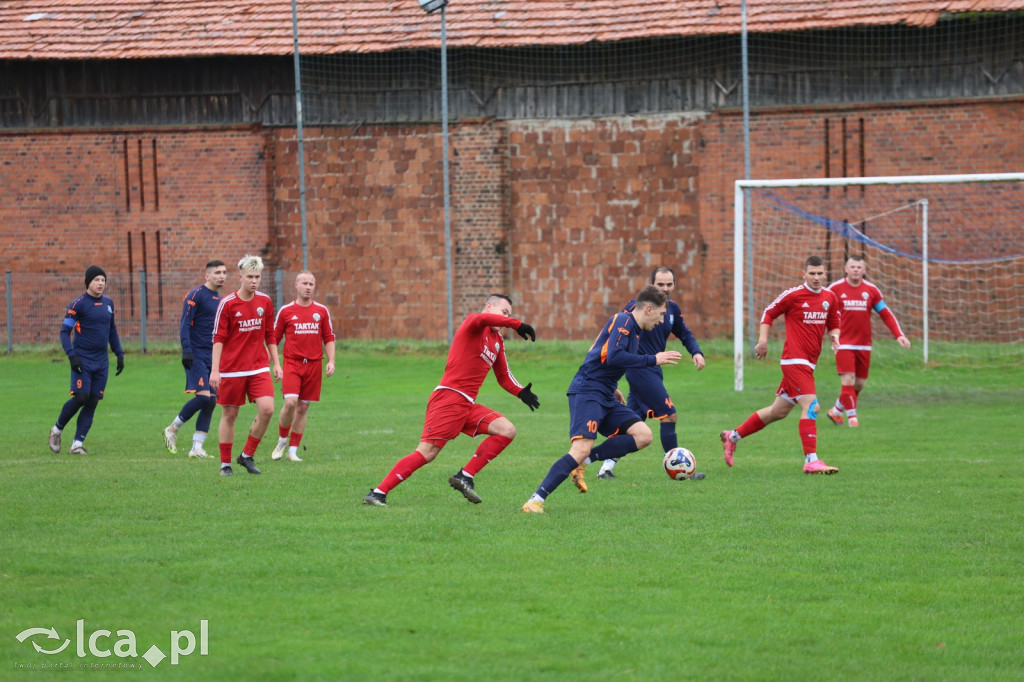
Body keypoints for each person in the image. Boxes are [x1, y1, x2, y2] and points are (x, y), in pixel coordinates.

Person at [363, 293, 539, 507]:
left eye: (509, 315)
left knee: (507, 430)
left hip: (466, 405)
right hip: (448, 399)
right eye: (504, 313)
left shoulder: (497, 341)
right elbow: (484, 320)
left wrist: (521, 392)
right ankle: (378, 493)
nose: (506, 319)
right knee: (426, 453)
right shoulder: (474, 322)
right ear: (489, 307)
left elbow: (503, 376)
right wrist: (517, 324)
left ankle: (465, 476)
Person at [521, 286, 681, 514]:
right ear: (648, 309)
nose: (662, 320)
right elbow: (615, 356)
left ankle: (584, 464)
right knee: (580, 447)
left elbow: (596, 351)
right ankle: (535, 500)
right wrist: (653, 359)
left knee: (643, 435)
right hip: (588, 391)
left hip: (604, 392)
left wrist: (613, 386)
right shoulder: (624, 321)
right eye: (662, 314)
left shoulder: (633, 329)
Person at [719, 255, 841, 475]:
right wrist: (763, 340)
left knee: (778, 411)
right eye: (811, 273)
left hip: (809, 363)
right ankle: (811, 460)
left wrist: (834, 336)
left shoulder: (830, 297)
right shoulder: (793, 295)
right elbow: (769, 313)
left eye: (819, 273)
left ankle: (732, 436)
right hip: (794, 360)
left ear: (825, 274)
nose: (815, 277)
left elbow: (833, 321)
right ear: (803, 274)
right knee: (812, 406)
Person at [597, 266, 706, 480]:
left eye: (669, 284)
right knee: (669, 415)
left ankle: (604, 468)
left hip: (654, 370)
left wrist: (696, 352)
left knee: (632, 424)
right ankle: (678, 468)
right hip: (639, 370)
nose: (665, 289)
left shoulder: (672, 310)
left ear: (674, 285)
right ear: (651, 285)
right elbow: (617, 334)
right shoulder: (637, 308)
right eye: (660, 284)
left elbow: (684, 333)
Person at [209, 255, 281, 476]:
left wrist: (277, 363)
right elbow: (218, 338)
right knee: (230, 415)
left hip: (259, 366)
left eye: (257, 277)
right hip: (232, 369)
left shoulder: (265, 302)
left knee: (268, 409)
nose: (254, 281)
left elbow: (270, 334)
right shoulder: (228, 304)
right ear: (240, 277)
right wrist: (215, 370)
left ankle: (247, 455)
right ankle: (225, 465)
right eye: (250, 277)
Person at [825, 256, 910, 428]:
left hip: (864, 343)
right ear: (845, 269)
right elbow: (822, 309)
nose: (856, 269)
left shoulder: (871, 290)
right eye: (852, 266)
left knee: (859, 383)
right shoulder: (834, 289)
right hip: (843, 343)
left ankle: (836, 411)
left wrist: (898, 334)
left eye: (859, 267)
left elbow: (885, 313)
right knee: (848, 379)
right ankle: (852, 419)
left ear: (864, 270)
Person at [48, 265, 125, 455]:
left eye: (103, 280)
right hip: (82, 360)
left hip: (102, 362)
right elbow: (65, 332)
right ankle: (56, 430)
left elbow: (112, 330)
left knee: (92, 401)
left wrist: (119, 353)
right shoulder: (78, 304)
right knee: (81, 397)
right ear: (88, 282)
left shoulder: (108, 304)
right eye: (96, 280)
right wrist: (72, 356)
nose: (100, 283)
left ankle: (76, 444)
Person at [162, 260, 228, 458]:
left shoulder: (220, 299)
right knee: (202, 397)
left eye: (224, 272)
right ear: (207, 276)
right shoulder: (196, 295)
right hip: (197, 353)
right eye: (217, 272)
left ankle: (197, 447)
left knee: (211, 401)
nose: (222, 276)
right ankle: (172, 429)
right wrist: (186, 349)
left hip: (213, 356)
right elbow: (185, 324)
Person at [270, 270, 336, 463]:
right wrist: (275, 363)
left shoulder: (321, 311)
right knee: (290, 403)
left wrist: (331, 361)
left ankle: (293, 450)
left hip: (314, 365)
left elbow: (329, 337)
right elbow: (274, 339)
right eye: (305, 283)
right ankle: (282, 439)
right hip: (292, 363)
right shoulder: (286, 311)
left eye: (311, 284)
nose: (308, 287)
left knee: (303, 408)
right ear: (296, 286)